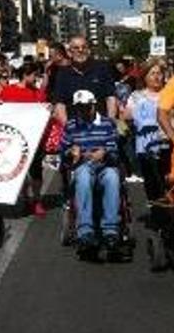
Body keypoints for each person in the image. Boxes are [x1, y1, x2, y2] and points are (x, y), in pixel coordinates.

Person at [61, 90, 121, 253]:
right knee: (84, 176)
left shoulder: (107, 124)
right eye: (80, 108)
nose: (83, 111)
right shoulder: (71, 126)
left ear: (93, 105)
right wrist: (70, 152)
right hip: (82, 166)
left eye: (86, 107)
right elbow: (63, 151)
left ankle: (111, 230)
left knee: (112, 178)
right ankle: (85, 231)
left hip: (104, 166)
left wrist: (105, 152)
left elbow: (115, 149)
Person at [0, 63, 48, 217]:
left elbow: (43, 111)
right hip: (15, 139)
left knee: (36, 171)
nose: (35, 78)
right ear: (25, 75)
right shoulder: (8, 91)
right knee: (18, 169)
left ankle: (37, 200)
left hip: (33, 138)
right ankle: (23, 197)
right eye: (33, 75)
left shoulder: (38, 93)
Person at [121, 59, 171, 222]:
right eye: (153, 73)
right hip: (146, 147)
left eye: (159, 73)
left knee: (170, 181)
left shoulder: (170, 93)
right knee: (151, 182)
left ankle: (173, 213)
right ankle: (157, 214)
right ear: (145, 76)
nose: (157, 77)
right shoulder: (137, 96)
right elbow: (126, 116)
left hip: (168, 143)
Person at [51, 36, 117, 124]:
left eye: (84, 47)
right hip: (75, 128)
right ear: (70, 52)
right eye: (76, 48)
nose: (80, 50)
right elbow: (60, 103)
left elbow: (110, 98)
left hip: (100, 127)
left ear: (88, 50)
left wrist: (110, 122)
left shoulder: (102, 69)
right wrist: (67, 126)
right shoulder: (63, 74)